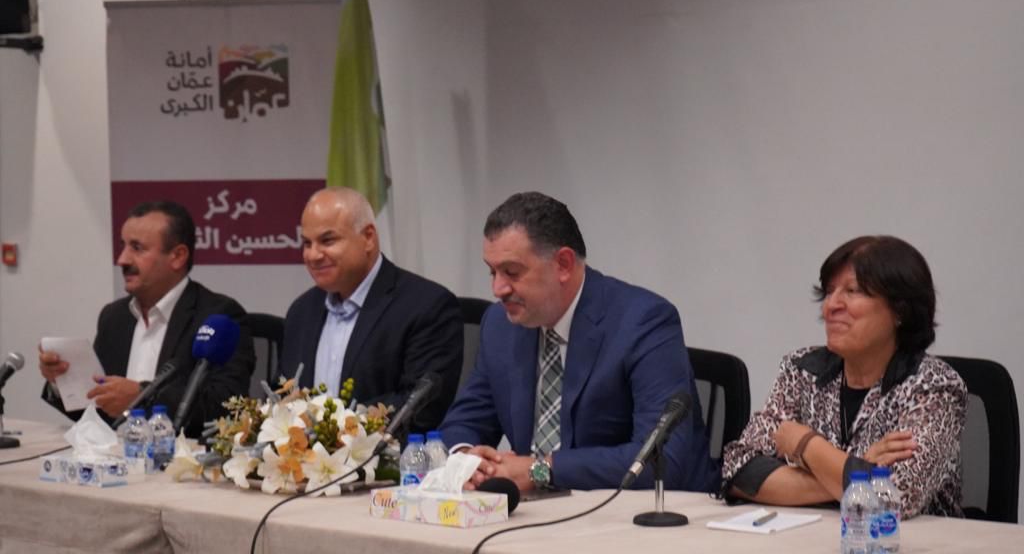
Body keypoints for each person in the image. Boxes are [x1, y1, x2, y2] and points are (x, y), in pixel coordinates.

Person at [439, 191, 719, 493]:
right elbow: (465, 421)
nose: (498, 289)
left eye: (512, 272)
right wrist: (467, 460)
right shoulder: (500, 325)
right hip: (537, 512)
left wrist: (540, 471)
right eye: (492, 271)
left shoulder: (643, 321)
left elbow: (660, 461)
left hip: (640, 513)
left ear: (563, 264)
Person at [722, 235, 966, 518]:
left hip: (909, 539)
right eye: (829, 292)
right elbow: (737, 470)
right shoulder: (802, 371)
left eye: (853, 291)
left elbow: (894, 498)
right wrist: (859, 467)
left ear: (900, 310)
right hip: (811, 535)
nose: (831, 306)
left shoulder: (933, 387)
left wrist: (806, 445)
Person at [39, 200, 255, 436]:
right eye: (123, 246)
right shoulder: (114, 317)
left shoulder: (218, 316)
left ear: (177, 256)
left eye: (137, 248)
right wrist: (62, 383)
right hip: (116, 452)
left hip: (177, 455)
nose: (122, 259)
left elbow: (224, 409)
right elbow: (98, 413)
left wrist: (141, 398)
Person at [279, 187, 462, 433]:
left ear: (368, 238)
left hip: (387, 455)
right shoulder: (301, 312)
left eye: (327, 241)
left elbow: (421, 410)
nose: (313, 255)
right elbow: (283, 394)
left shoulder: (427, 306)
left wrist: (333, 434)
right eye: (306, 243)